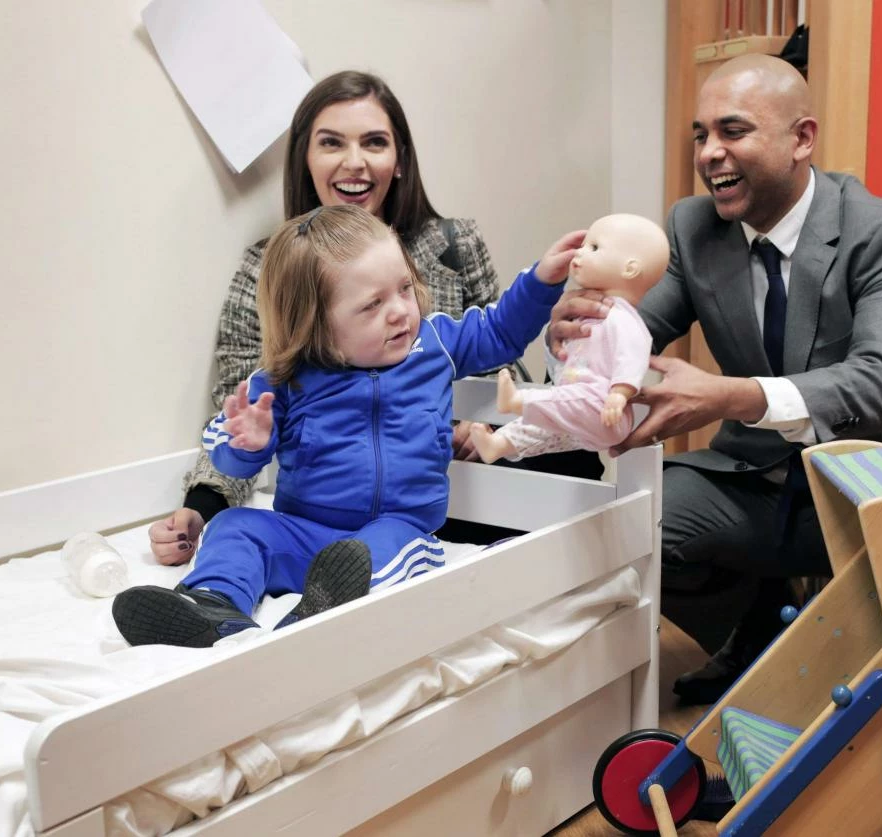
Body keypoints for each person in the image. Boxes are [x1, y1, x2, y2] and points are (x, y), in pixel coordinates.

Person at [547, 54, 882, 705]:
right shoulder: (693, 227)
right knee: (631, 516)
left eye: (732, 131)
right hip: (757, 481)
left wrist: (729, 395)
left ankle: (811, 639)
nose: (710, 153)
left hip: (870, 483)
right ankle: (761, 633)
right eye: (700, 135)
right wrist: (579, 332)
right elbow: (637, 332)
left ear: (802, 139)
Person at [150, 70, 597, 566]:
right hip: (325, 495)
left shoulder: (452, 246)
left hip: (444, 482)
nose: (355, 162)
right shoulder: (268, 271)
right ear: (305, 160)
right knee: (239, 533)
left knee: (573, 457)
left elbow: (499, 353)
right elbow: (243, 410)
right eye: (332, 143)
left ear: (399, 159)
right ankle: (219, 602)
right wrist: (202, 507)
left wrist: (470, 424)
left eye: (375, 142)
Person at [113, 205, 581, 647]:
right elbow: (226, 458)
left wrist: (542, 281)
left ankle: (323, 609)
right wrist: (248, 443)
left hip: (398, 529)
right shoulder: (284, 382)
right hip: (302, 532)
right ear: (315, 324)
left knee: (392, 548)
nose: (399, 310)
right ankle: (214, 607)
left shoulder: (435, 343)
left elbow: (500, 331)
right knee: (235, 527)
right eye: (372, 304)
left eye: (403, 288)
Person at [469, 214, 669, 463]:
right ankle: (498, 444)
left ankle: (519, 400)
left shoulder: (621, 318)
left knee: (556, 403)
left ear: (629, 268)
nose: (579, 254)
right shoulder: (584, 313)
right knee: (540, 427)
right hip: (575, 405)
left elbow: (633, 357)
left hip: (601, 409)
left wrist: (619, 393)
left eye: (593, 248)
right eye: (583, 246)